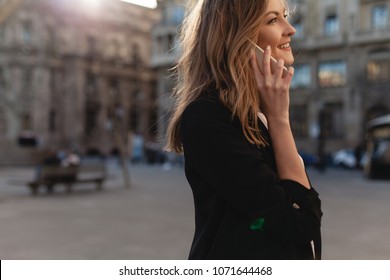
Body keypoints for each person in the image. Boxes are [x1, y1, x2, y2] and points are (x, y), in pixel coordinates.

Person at [165, 0, 322, 260]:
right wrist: (280, 119)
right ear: (239, 36)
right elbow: (301, 221)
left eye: (284, 16)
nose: (290, 29)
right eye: (273, 20)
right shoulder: (208, 116)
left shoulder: (257, 112)